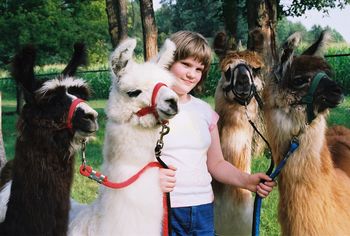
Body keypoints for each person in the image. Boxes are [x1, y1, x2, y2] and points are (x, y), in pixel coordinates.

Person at [158, 30, 276, 236]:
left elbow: (216, 164)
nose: (191, 74)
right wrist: (150, 178)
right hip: (164, 208)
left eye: (199, 68)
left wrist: (246, 181)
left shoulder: (205, 112)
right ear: (169, 60)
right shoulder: (151, 110)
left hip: (203, 208)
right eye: (185, 64)